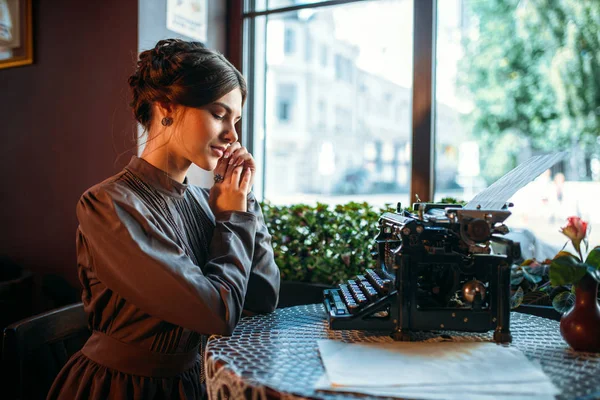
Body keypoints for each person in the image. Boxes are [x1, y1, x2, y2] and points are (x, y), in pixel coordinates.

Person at [47, 39, 280, 400]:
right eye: (219, 114)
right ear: (166, 106)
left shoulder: (210, 203)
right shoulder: (109, 204)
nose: (233, 135)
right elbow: (217, 315)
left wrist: (245, 202)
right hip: (119, 388)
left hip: (192, 385)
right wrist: (232, 217)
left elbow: (261, 300)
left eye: (235, 120)